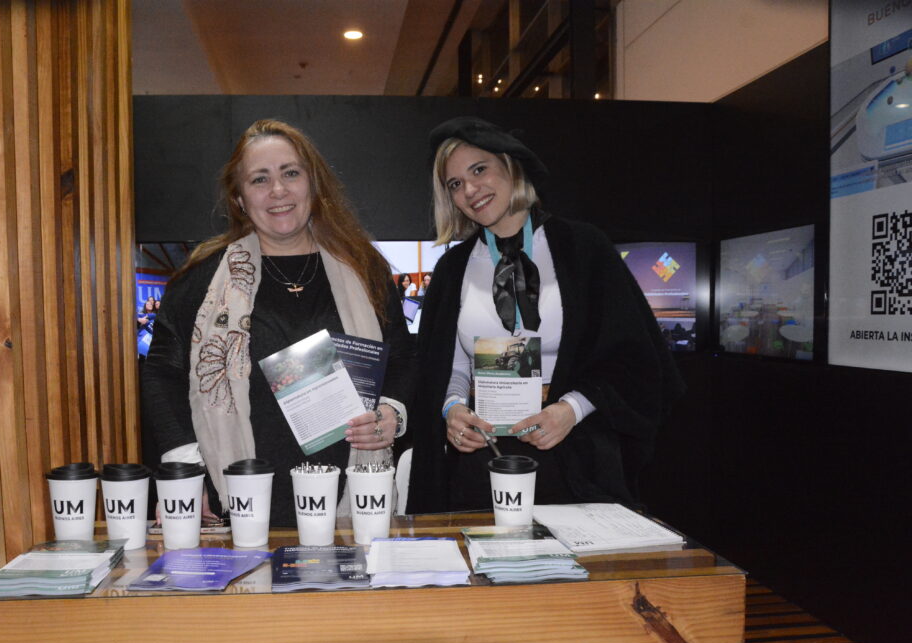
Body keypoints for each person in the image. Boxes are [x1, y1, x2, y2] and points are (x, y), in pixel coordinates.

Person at [142, 119, 415, 527]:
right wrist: (184, 469)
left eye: (290, 173)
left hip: (353, 504)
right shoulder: (201, 280)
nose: (278, 190)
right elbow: (162, 374)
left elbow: (403, 356)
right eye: (259, 179)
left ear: (313, 184)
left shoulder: (364, 269)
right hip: (236, 502)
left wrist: (392, 412)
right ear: (239, 198)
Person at [407, 117, 684, 514]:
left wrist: (570, 409)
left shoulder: (583, 248)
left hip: (575, 453)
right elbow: (447, 366)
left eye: (479, 170)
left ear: (511, 166)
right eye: (454, 184)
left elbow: (633, 357)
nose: (469, 190)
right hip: (482, 455)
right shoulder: (453, 269)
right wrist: (452, 410)